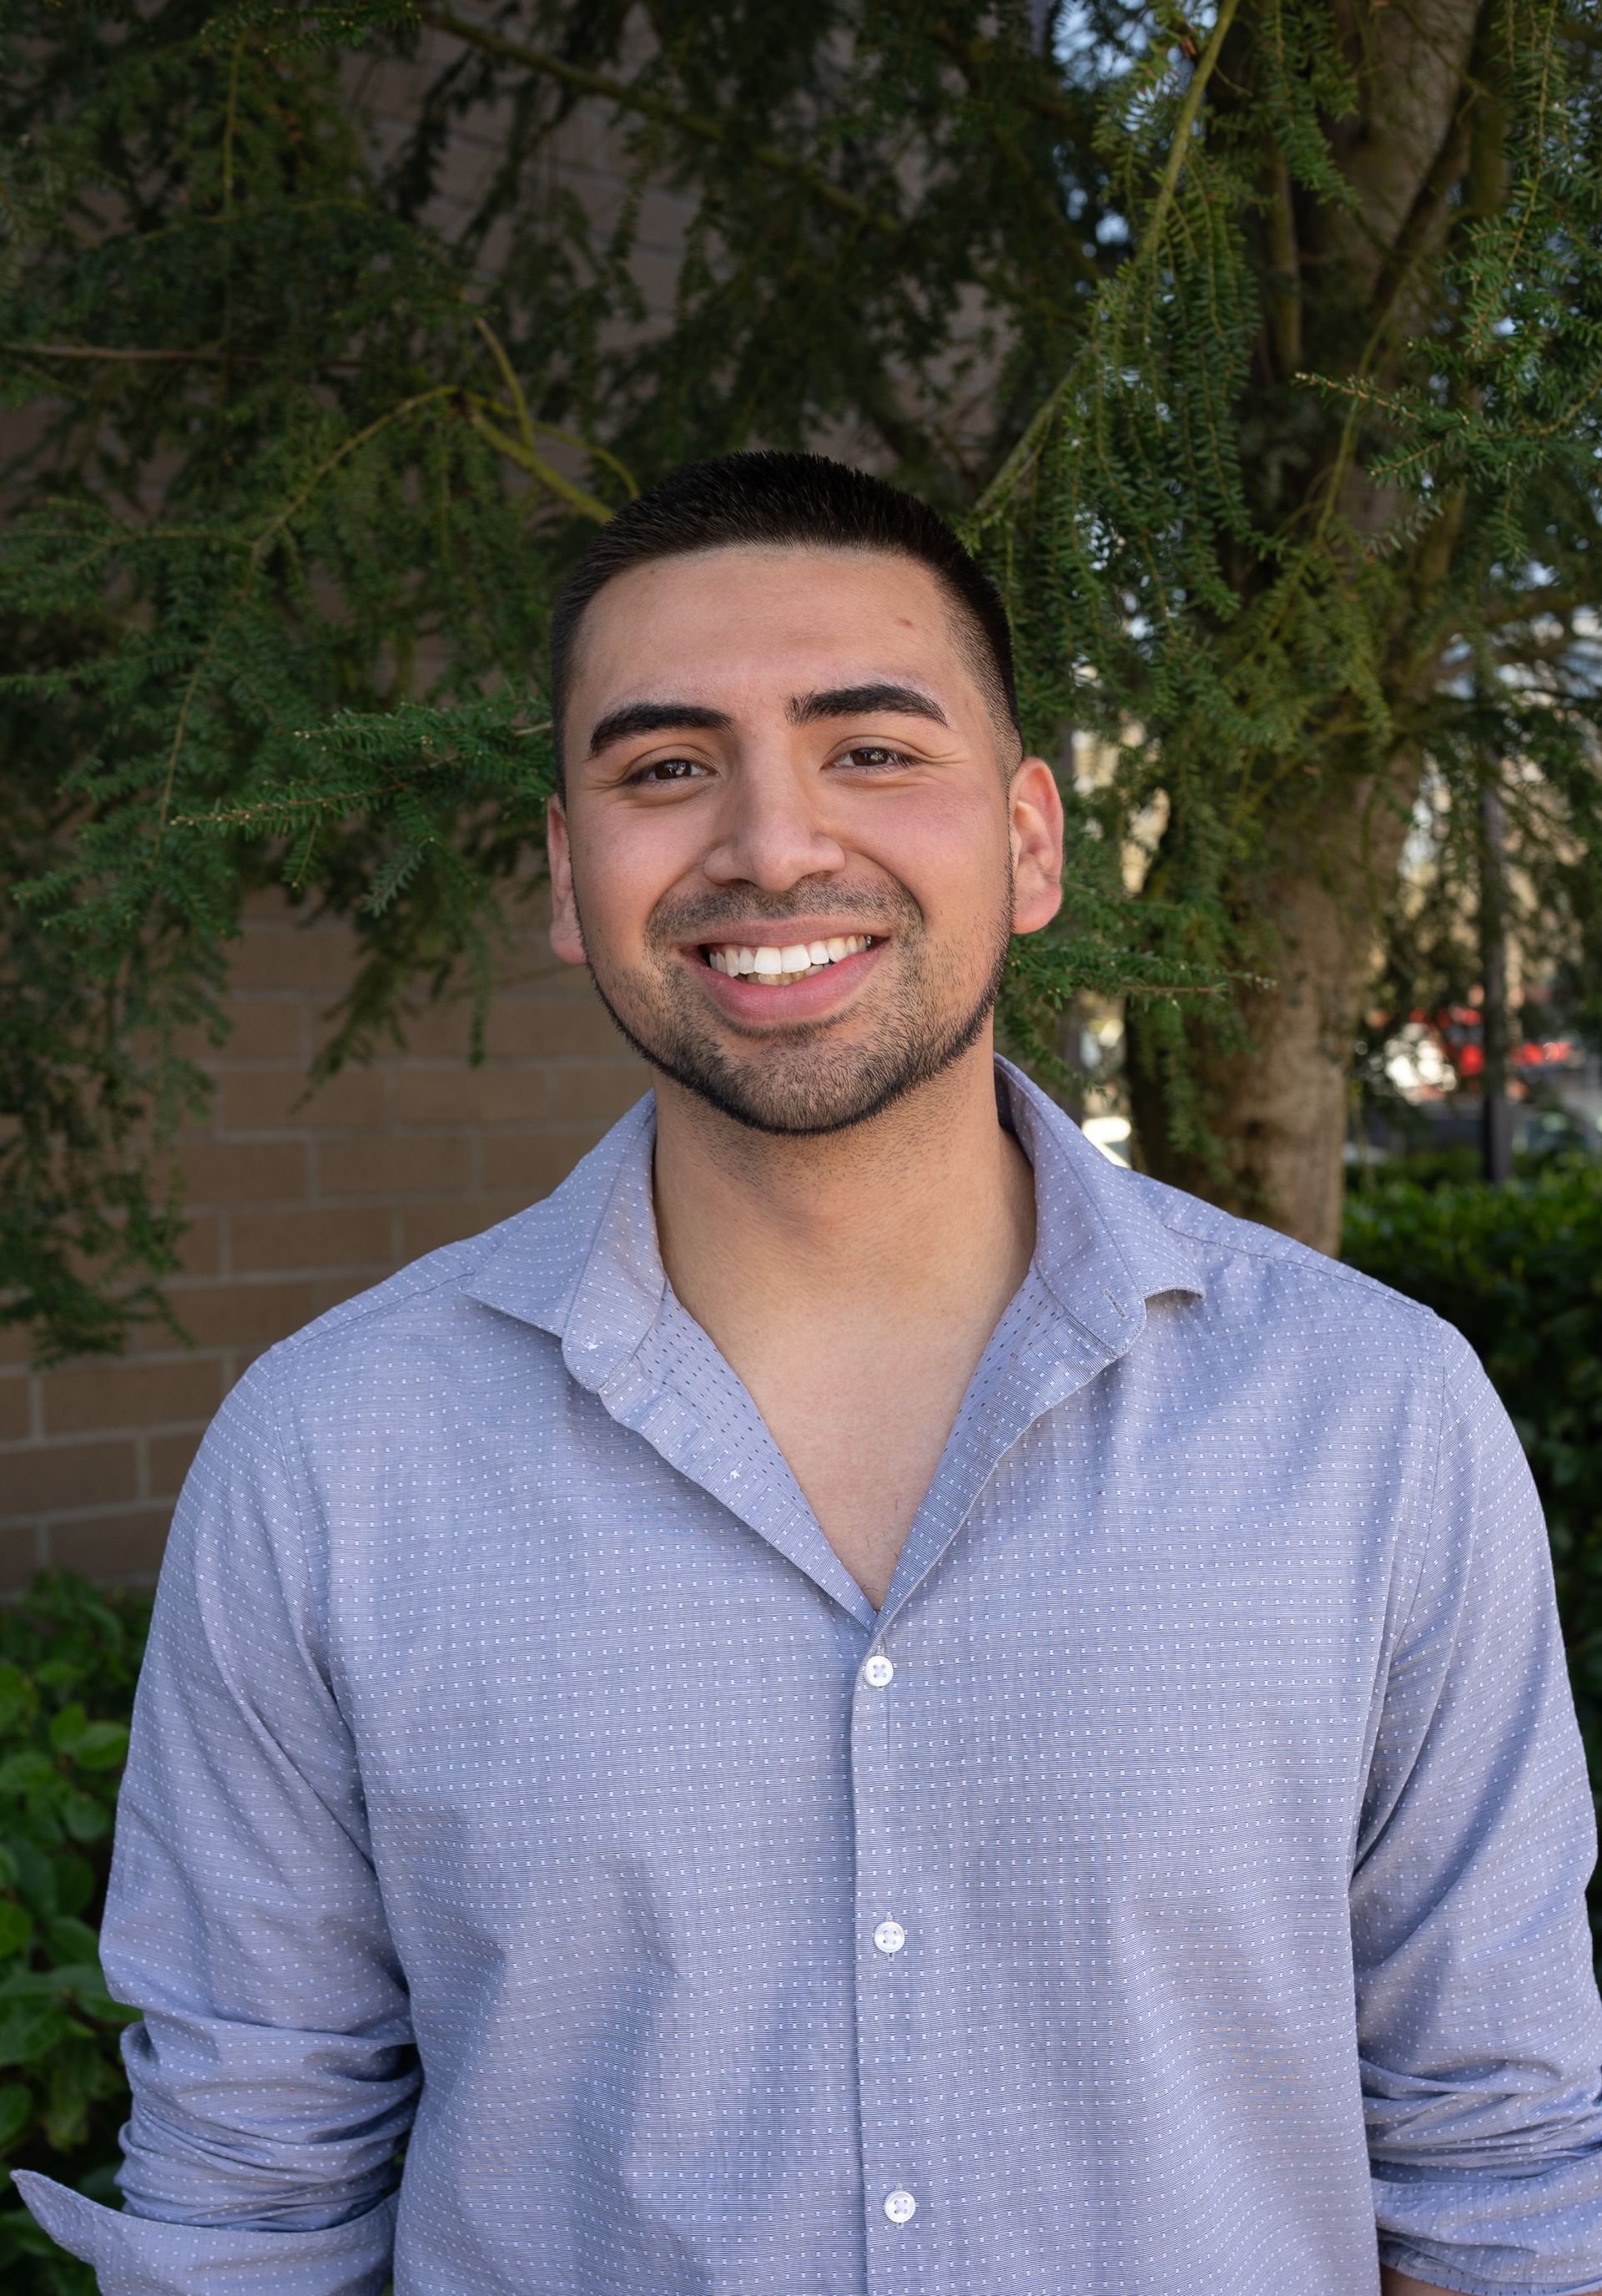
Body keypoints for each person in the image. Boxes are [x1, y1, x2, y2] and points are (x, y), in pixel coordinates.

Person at [19, 451, 1602, 2296]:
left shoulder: (1377, 1423)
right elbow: (246, 2209)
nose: (770, 843)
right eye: (666, 766)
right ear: (565, 871)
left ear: (1030, 840)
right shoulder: (325, 1460)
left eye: (871, 747)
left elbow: (1498, 2177)